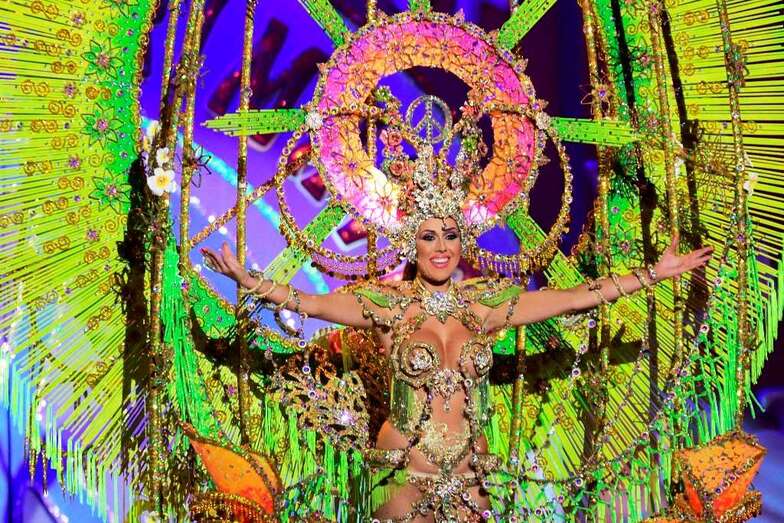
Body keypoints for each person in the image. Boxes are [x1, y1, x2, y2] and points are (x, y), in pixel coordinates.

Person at [201, 212, 712, 521]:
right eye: (429, 236)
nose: (441, 247)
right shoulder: (387, 305)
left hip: (472, 476)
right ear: (412, 243)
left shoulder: (484, 306)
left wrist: (653, 273)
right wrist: (249, 280)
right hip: (404, 473)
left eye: (450, 235)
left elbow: (575, 298)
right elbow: (309, 302)